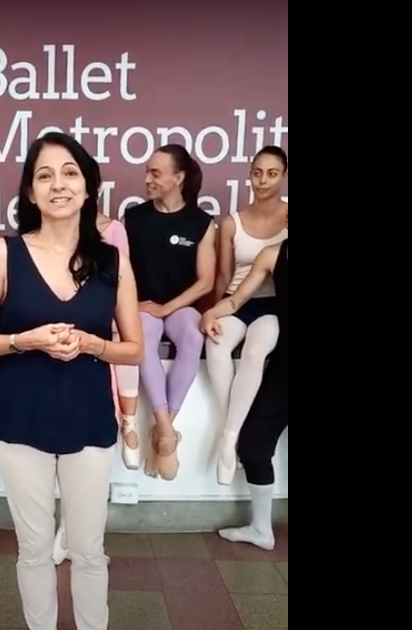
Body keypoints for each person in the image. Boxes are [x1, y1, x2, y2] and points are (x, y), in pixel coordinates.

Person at [0, 132, 142, 630]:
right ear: (31, 191)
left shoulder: (112, 259)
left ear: (88, 187)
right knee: (35, 548)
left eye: (69, 172)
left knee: (89, 549)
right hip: (19, 416)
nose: (58, 183)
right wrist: (25, 340)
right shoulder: (3, 252)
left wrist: (92, 344)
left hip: (88, 414)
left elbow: (132, 347)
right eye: (44, 175)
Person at [53, 193, 140, 567]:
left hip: (100, 345)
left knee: (91, 457)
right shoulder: (39, 242)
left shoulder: (113, 235)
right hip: (59, 350)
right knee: (60, 450)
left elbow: (122, 304)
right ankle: (64, 529)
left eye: (72, 176)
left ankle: (79, 536)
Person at [124, 144, 216, 480]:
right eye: (147, 171)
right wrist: (136, 305)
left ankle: (163, 428)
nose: (147, 178)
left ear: (178, 178)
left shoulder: (201, 223)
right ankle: (167, 432)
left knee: (193, 336)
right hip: (143, 306)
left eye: (156, 173)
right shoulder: (134, 218)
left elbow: (206, 281)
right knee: (143, 337)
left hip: (180, 306)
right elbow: (120, 272)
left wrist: (167, 307)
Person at [203, 146, 288, 484]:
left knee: (255, 352)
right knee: (216, 344)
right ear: (249, 174)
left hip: (275, 304)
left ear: (283, 176)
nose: (262, 180)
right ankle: (231, 430)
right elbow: (225, 278)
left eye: (271, 173)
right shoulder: (231, 222)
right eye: (257, 172)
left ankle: (229, 435)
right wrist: (210, 310)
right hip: (237, 299)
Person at [211, 238, 289, 551]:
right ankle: (260, 529)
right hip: (285, 370)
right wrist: (210, 315)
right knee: (254, 444)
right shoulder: (273, 255)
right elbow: (235, 301)